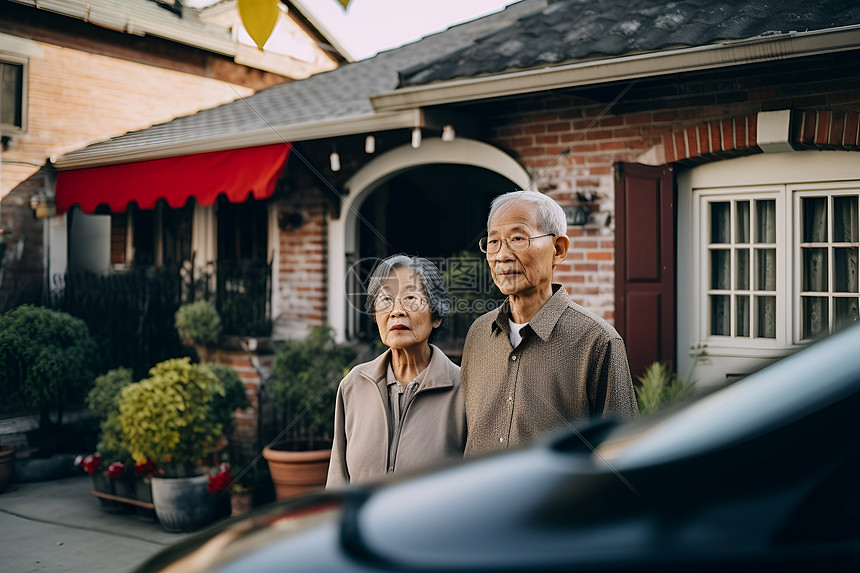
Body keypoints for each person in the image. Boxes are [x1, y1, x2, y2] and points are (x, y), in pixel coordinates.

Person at [461, 190, 638, 457]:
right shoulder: (478, 334)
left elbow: (622, 452)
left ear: (558, 249)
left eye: (518, 239)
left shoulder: (597, 342)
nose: (501, 255)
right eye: (494, 241)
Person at [326, 255, 465, 487]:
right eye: (386, 300)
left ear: (437, 316)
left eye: (411, 298)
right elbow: (338, 483)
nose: (396, 311)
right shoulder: (353, 385)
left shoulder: (464, 390)